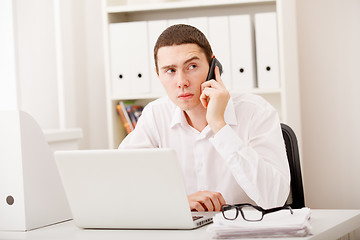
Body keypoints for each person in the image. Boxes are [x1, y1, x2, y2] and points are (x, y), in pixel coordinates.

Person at [119, 24, 290, 211]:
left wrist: (219, 125)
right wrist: (178, 202)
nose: (181, 82)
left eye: (192, 66)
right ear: (158, 75)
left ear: (213, 66)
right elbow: (122, 184)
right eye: (170, 70)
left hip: (247, 230)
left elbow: (276, 197)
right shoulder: (155, 115)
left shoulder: (256, 111)